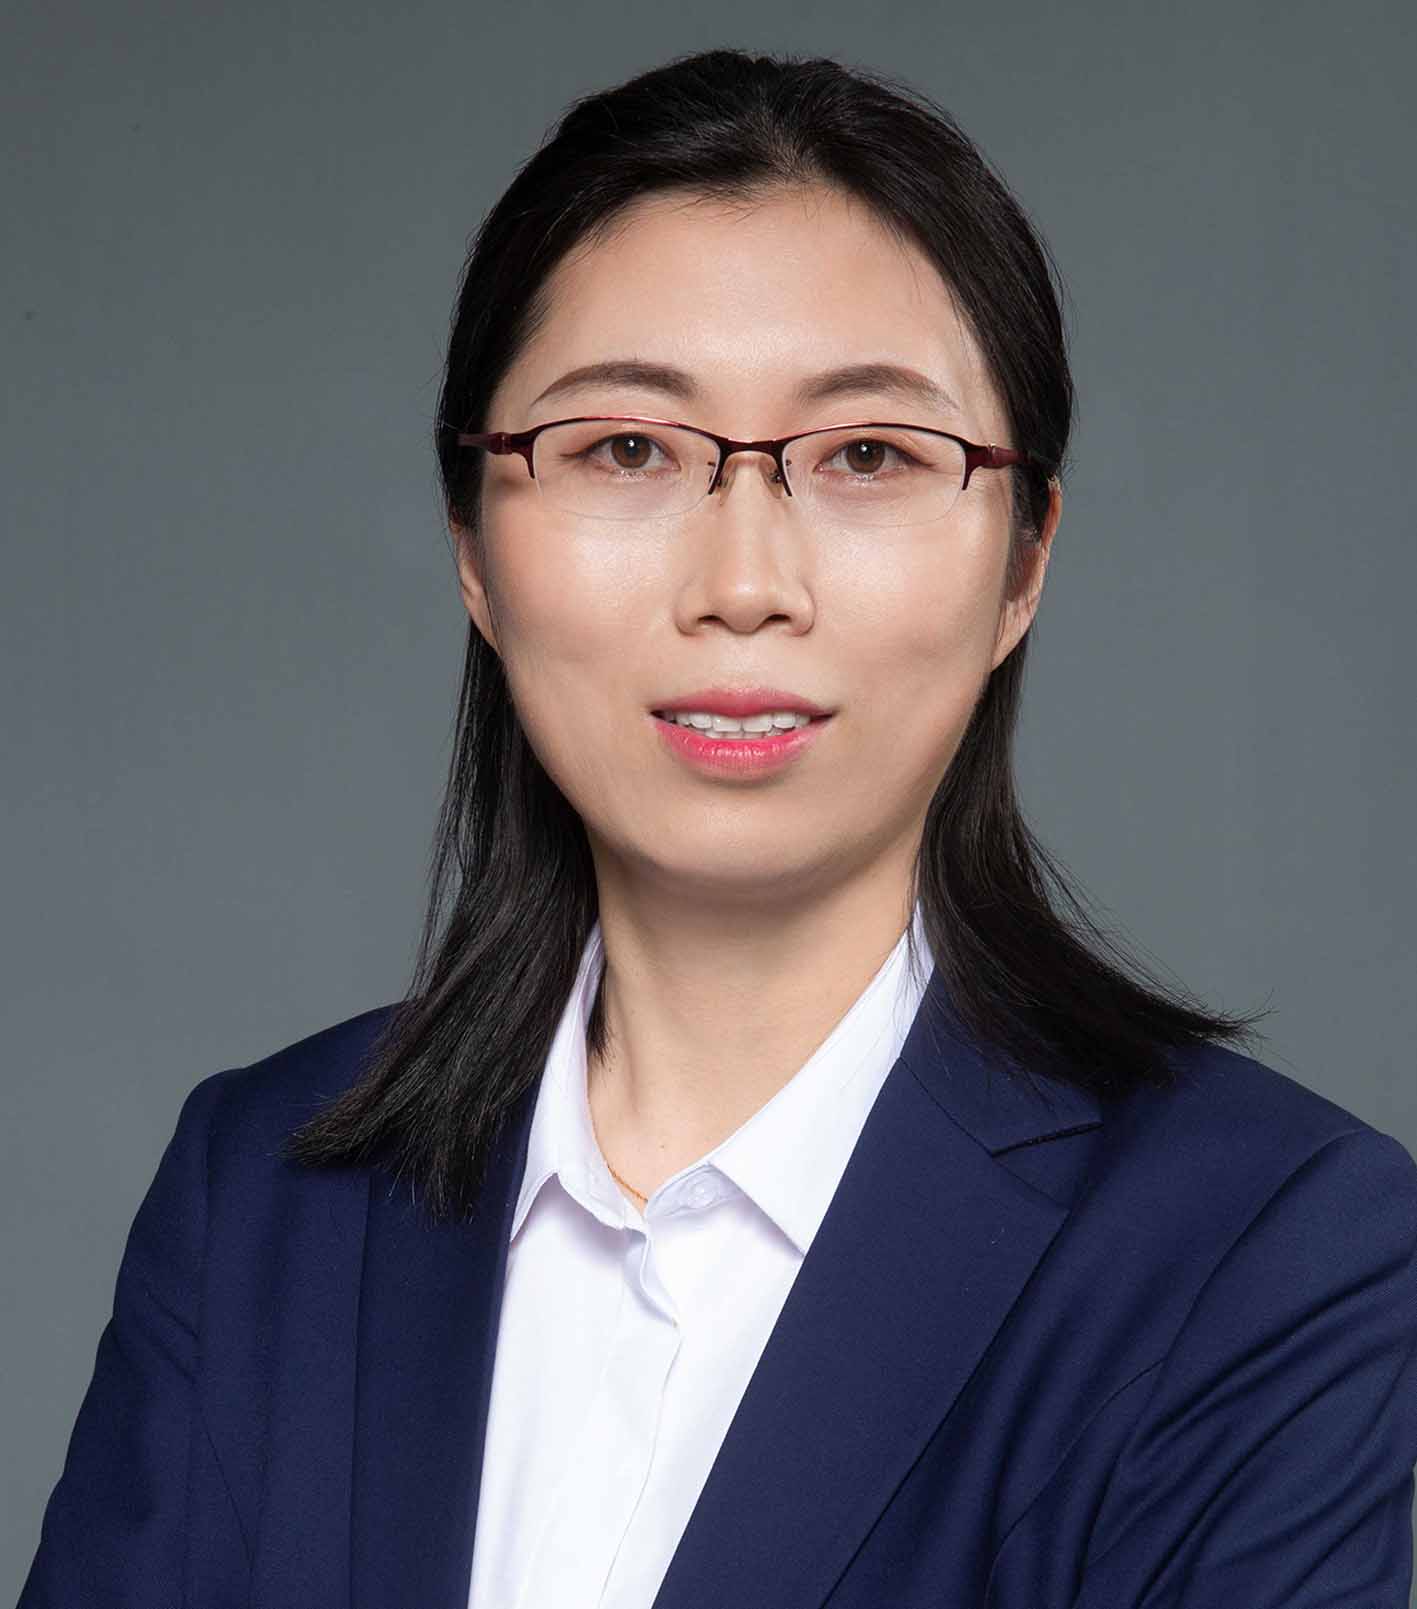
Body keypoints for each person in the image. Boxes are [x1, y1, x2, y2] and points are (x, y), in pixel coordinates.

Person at [20, 46, 1417, 1609]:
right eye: (624, 448)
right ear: (473, 543)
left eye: (868, 455)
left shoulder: (1261, 1248)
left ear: (1022, 559)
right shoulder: (262, 1195)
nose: (743, 582)